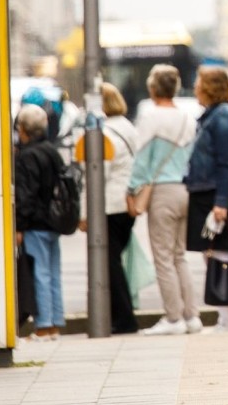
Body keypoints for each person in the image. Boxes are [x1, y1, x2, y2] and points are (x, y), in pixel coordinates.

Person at [128, 64, 201, 336]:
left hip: (162, 192)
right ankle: (192, 316)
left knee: (163, 257)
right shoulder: (186, 118)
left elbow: (141, 161)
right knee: (179, 256)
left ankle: (173, 318)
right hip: (185, 190)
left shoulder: (150, 117)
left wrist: (132, 189)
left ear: (153, 88)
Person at [185, 66, 228, 331]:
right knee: (218, 254)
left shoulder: (221, 118)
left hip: (220, 192)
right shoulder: (214, 115)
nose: (195, 89)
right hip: (212, 191)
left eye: (199, 84)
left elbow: (227, 164)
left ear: (209, 88)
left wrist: (221, 203)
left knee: (223, 254)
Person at [80, 82, 141, 335]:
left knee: (109, 264)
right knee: (113, 262)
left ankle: (124, 319)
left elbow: (96, 176)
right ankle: (120, 317)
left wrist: (84, 214)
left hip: (109, 207)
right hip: (126, 204)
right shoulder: (128, 127)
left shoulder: (102, 133)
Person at [14, 103, 67, 340]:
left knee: (40, 273)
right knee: (53, 272)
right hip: (55, 221)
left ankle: (43, 325)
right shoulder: (52, 151)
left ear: (24, 129)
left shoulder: (26, 156)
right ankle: (55, 322)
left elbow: (25, 194)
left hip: (35, 222)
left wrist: (20, 225)